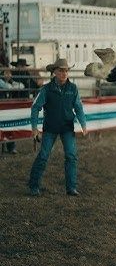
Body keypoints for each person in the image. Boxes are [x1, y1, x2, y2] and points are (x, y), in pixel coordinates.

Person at [28, 58, 87, 196]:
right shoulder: (46, 89)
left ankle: (71, 188)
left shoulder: (73, 89)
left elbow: (78, 107)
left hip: (67, 127)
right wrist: (34, 128)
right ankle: (33, 186)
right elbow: (35, 107)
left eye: (66, 70)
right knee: (43, 156)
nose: (64, 73)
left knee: (71, 156)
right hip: (50, 127)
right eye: (61, 70)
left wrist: (83, 124)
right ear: (55, 72)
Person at [1, 69, 25, 154]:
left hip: (7, 107)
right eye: (6, 73)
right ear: (2, 74)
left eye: (9, 73)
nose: (8, 75)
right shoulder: (0, 81)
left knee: (10, 126)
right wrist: (13, 86)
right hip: (2, 106)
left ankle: (11, 148)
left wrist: (13, 85)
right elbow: (7, 87)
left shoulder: (11, 81)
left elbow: (22, 86)